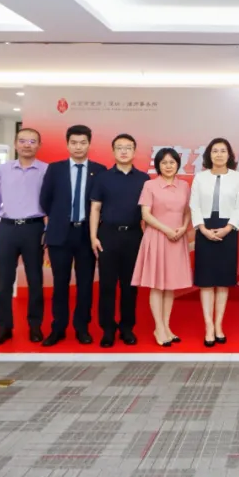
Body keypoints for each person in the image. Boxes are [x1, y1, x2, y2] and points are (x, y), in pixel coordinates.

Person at [39, 125, 106, 346]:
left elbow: (102, 203)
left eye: (83, 143)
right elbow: (45, 200)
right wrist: (59, 218)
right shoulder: (55, 169)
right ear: (67, 144)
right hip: (60, 234)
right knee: (60, 284)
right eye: (74, 143)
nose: (78, 147)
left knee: (85, 284)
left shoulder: (99, 170)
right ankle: (58, 328)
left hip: (86, 234)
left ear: (89, 144)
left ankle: (81, 327)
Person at [0, 128, 48, 346]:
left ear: (39, 145)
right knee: (4, 282)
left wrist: (48, 231)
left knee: (35, 280)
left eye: (32, 141)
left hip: (34, 229)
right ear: (15, 144)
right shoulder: (2, 170)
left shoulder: (46, 170)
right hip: (8, 228)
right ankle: (4, 327)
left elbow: (53, 203)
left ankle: (35, 326)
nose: (27, 145)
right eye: (22, 141)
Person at [89, 134, 150, 348]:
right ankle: (108, 329)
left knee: (129, 286)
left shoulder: (143, 179)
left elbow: (148, 212)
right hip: (108, 235)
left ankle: (126, 328)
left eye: (128, 147)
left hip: (133, 235)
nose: (124, 151)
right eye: (119, 147)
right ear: (113, 151)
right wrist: (93, 236)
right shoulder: (103, 177)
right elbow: (95, 208)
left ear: (134, 151)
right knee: (106, 285)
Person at [132, 147, 192, 347]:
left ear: (177, 164)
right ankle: (158, 328)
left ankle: (166, 326)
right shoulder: (150, 185)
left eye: (172, 162)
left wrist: (183, 227)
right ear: (158, 165)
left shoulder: (184, 186)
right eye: (164, 162)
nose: (168, 166)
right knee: (157, 285)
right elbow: (146, 215)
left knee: (170, 285)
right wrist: (166, 230)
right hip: (157, 237)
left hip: (177, 237)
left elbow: (187, 211)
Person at [190, 137, 239, 346]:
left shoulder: (237, 177)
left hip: (228, 229)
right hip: (204, 228)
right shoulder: (200, 178)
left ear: (229, 155)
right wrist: (202, 228)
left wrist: (228, 228)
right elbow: (194, 205)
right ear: (209, 155)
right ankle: (208, 326)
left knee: (223, 281)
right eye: (215, 151)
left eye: (223, 151)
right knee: (206, 281)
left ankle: (218, 325)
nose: (219, 154)